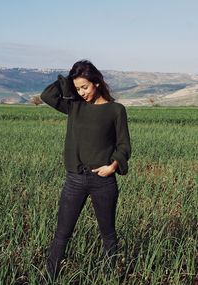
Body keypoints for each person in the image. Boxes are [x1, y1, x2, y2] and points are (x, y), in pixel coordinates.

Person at [40, 59, 131, 281]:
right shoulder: (74, 106)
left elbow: (124, 145)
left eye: (85, 87)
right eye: (77, 88)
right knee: (62, 234)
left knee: (108, 235)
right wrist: (67, 81)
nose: (81, 92)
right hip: (75, 180)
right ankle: (50, 277)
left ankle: (111, 278)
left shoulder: (115, 110)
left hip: (103, 181)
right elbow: (47, 96)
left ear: (97, 82)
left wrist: (112, 166)